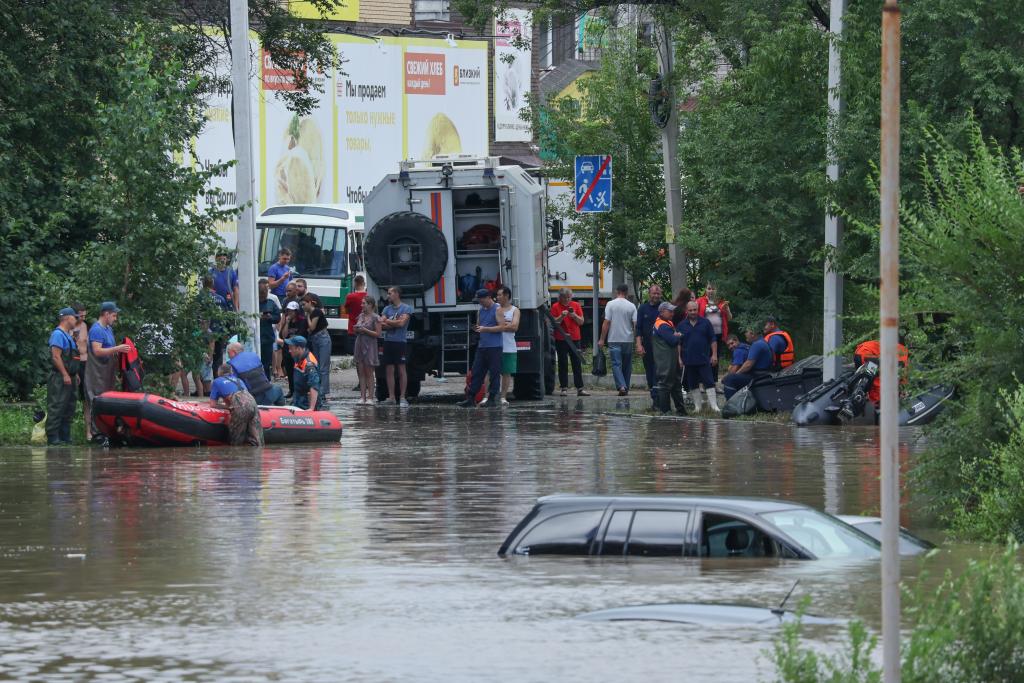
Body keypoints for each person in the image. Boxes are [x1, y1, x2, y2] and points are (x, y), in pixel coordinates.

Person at [84, 302, 131, 439]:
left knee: (107, 401)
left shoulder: (108, 329)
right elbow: (97, 351)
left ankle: (106, 432)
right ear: (106, 314)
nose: (115, 318)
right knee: (96, 401)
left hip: (107, 373)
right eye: (114, 315)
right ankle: (96, 433)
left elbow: (110, 350)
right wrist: (118, 348)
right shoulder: (96, 329)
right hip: (96, 373)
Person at [458, 289, 503, 408]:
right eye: (478, 300)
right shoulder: (480, 310)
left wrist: (485, 329)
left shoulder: (498, 309)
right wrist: (476, 328)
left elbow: (502, 327)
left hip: (495, 347)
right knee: (476, 372)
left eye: (481, 300)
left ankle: (492, 398)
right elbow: (480, 326)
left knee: (494, 373)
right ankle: (471, 398)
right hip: (482, 346)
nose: (480, 302)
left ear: (489, 297)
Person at [45, 308, 80, 445]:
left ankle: (65, 437)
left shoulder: (68, 335)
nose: (76, 320)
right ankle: (53, 438)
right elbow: (56, 357)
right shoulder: (58, 334)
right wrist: (65, 374)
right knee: (57, 406)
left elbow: (72, 358)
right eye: (74, 317)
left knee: (68, 407)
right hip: (60, 377)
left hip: (70, 377)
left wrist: (74, 374)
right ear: (67, 318)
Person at [678, 301, 720, 413]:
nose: (693, 312)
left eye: (694, 310)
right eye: (690, 310)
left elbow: (713, 339)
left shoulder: (706, 323)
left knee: (709, 382)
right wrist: (679, 358)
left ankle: (714, 407)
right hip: (688, 360)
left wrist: (714, 355)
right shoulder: (681, 325)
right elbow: (678, 343)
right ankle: (698, 407)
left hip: (704, 359)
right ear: (686, 311)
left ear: (698, 309)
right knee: (693, 384)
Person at [209, 365, 264, 446]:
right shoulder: (239, 380)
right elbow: (244, 396)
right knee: (257, 440)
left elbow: (213, 404)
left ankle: (236, 455)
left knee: (235, 441)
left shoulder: (217, 381)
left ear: (219, 372)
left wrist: (228, 407)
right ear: (231, 372)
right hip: (252, 402)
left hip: (240, 405)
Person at [598, 283, 637, 396]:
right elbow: (635, 324)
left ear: (617, 291)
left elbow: (606, 322)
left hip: (613, 339)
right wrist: (636, 340)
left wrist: (601, 339)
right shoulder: (632, 306)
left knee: (616, 364)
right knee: (627, 365)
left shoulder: (610, 304)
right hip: (628, 340)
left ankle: (621, 386)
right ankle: (626, 386)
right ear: (627, 292)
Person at [551, 288, 588, 397]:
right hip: (561, 338)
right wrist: (562, 316)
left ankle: (580, 388)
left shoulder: (576, 305)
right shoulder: (555, 306)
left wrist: (574, 315)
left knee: (576, 363)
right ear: (560, 297)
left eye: (569, 297)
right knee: (563, 363)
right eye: (565, 297)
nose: (567, 300)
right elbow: (554, 323)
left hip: (575, 338)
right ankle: (564, 388)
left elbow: (581, 322)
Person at [380, 286, 413, 407]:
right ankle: (391, 397)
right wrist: (392, 322)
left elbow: (401, 323)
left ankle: (403, 397)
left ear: (397, 294)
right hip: (388, 342)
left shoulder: (406, 308)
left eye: (390, 293)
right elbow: (381, 323)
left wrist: (388, 321)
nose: (388, 296)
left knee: (401, 370)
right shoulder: (386, 309)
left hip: (400, 342)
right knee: (389, 370)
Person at [651, 302, 686, 415]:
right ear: (662, 312)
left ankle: (680, 411)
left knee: (676, 384)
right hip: (665, 361)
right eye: (670, 311)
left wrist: (676, 335)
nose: (672, 313)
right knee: (665, 384)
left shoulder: (668, 323)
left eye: (672, 311)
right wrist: (678, 336)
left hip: (671, 359)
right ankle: (665, 411)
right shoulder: (662, 325)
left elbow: (674, 338)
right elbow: (673, 341)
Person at [853, 339, 909, 408]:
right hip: (866, 354)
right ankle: (877, 404)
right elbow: (902, 372)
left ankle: (860, 397)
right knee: (879, 379)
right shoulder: (902, 350)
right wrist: (903, 389)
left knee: (868, 380)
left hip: (860, 353)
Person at [226, 341, 284, 405]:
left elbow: (233, 386)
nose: (228, 356)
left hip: (253, 400)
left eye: (228, 353)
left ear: (234, 352)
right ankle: (281, 411)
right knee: (279, 390)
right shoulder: (254, 355)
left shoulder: (230, 364)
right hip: (268, 392)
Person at [722, 330, 775, 399]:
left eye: (732, 343)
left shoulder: (755, 345)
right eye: (728, 345)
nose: (731, 346)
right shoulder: (752, 345)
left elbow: (747, 365)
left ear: (752, 333)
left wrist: (732, 375)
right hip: (764, 373)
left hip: (758, 376)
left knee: (729, 379)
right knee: (733, 377)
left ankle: (732, 406)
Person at [635, 285, 663, 404]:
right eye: (653, 293)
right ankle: (654, 396)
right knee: (649, 372)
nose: (656, 296)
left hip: (661, 347)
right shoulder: (642, 308)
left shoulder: (664, 307)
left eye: (658, 294)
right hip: (647, 346)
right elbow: (638, 328)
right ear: (649, 294)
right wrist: (639, 344)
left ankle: (658, 399)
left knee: (658, 372)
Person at [696, 282, 730, 381]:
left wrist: (727, 309)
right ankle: (702, 382)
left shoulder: (721, 302)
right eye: (709, 288)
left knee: (716, 359)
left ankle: (714, 383)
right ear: (705, 290)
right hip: (705, 335)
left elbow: (729, 317)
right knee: (705, 357)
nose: (711, 291)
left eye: (713, 289)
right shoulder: (700, 301)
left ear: (717, 291)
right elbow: (694, 316)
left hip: (719, 334)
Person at [352, 296, 382, 404]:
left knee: (369, 372)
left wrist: (364, 330)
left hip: (370, 345)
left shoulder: (376, 317)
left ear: (370, 305)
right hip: (359, 343)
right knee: (361, 372)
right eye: (362, 303)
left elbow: (378, 334)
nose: (361, 305)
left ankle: (370, 397)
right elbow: (356, 329)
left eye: (363, 303)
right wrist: (356, 329)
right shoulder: (361, 316)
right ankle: (362, 397)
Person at [303, 293, 332, 401]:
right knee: (317, 365)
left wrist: (307, 317)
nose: (303, 306)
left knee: (323, 367)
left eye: (304, 304)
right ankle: (319, 390)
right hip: (315, 339)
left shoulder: (316, 312)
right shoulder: (312, 313)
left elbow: (312, 327)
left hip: (322, 338)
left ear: (310, 302)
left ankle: (323, 392)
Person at [284, 336, 324, 411]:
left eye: (291, 348)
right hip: (298, 400)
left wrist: (311, 408)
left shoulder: (309, 365)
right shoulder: (298, 358)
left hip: (305, 404)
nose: (289, 350)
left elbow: (314, 386)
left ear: (299, 349)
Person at [71, 303, 92, 440]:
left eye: (85, 315)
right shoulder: (69, 328)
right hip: (74, 363)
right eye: (81, 315)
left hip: (87, 363)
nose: (83, 318)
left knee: (87, 400)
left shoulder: (85, 325)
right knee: (70, 398)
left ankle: (89, 432)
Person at [496, 285, 520, 407]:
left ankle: (503, 397)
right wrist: (506, 325)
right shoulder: (495, 309)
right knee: (490, 372)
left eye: (499, 295)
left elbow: (514, 327)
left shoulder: (514, 310)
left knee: (506, 373)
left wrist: (499, 326)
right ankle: (488, 396)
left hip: (509, 346)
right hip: (494, 346)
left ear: (506, 296)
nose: (497, 297)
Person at [279, 300, 307, 398]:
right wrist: (286, 323)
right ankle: (291, 390)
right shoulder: (288, 322)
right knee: (289, 371)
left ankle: (299, 391)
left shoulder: (302, 321)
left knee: (298, 371)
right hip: (287, 350)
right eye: (288, 311)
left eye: (292, 311)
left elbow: (301, 335)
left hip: (297, 350)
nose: (290, 313)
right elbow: (283, 335)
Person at [258, 278, 281, 380]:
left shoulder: (271, 302)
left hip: (266, 337)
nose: (263, 295)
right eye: (261, 293)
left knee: (266, 364)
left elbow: (278, 318)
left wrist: (270, 318)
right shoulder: (252, 302)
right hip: (255, 336)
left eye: (264, 293)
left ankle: (267, 382)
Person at [344, 275, 368, 355]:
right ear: (364, 283)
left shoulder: (350, 297)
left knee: (356, 355)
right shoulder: (368, 296)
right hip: (367, 329)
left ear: (354, 284)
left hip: (353, 329)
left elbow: (346, 311)